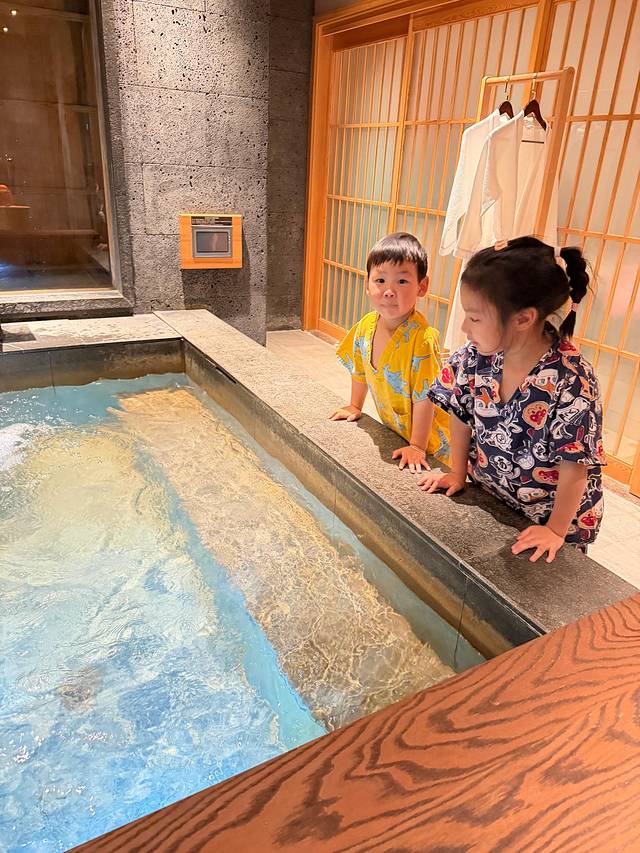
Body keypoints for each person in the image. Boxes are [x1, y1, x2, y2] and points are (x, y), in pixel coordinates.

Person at [419, 236, 605, 563]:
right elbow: (461, 415)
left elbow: (575, 465)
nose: (464, 327)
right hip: (494, 497)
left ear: (522, 319)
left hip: (551, 519)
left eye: (475, 318)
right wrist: (457, 473)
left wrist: (556, 530)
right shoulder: (475, 357)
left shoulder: (572, 379)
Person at [329, 232, 450, 472]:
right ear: (367, 284)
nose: (389, 291)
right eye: (380, 280)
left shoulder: (423, 339)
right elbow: (359, 370)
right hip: (397, 431)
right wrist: (355, 406)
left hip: (433, 446)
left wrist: (417, 446)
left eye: (402, 281)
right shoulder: (366, 326)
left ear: (422, 286)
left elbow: (426, 398)